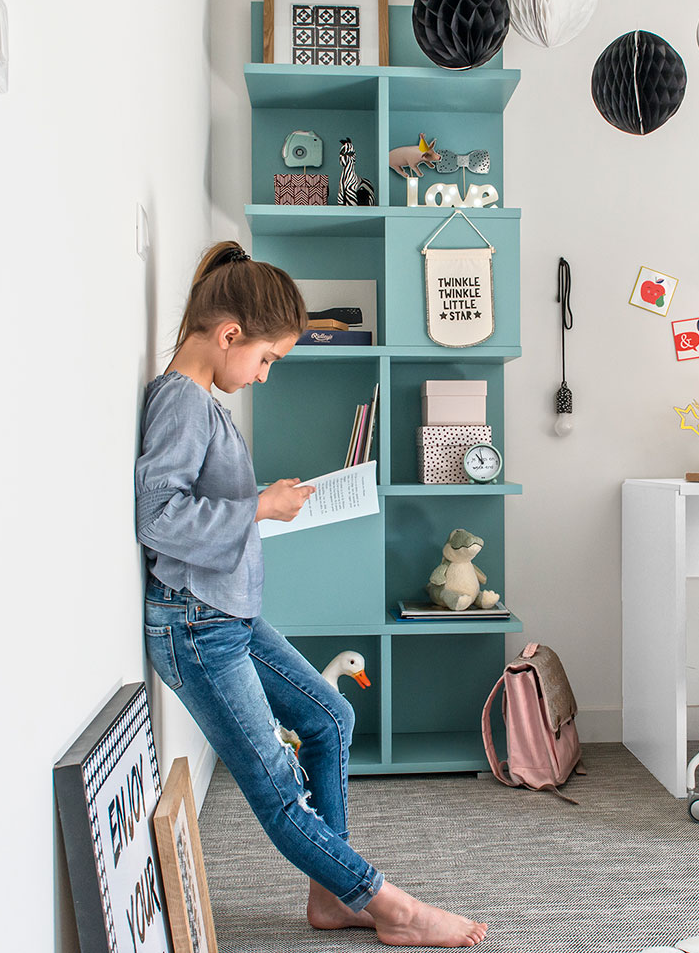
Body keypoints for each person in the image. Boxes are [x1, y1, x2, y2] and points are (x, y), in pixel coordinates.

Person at [136, 242, 488, 948]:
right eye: (266, 359)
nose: (264, 375)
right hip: (196, 624)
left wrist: (268, 503)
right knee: (276, 783)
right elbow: (159, 517)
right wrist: (260, 507)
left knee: (329, 717)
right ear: (228, 334)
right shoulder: (180, 402)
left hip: (227, 615)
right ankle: (391, 906)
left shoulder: (203, 403)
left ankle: (330, 895)